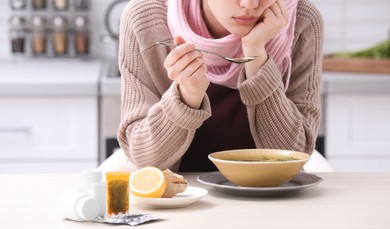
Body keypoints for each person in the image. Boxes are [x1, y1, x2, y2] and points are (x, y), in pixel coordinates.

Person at [117, 0, 323, 172]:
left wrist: (256, 56)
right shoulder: (145, 19)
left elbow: (295, 155)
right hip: (180, 202)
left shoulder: (301, 20)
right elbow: (144, 157)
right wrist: (186, 96)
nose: (250, 4)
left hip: (269, 198)